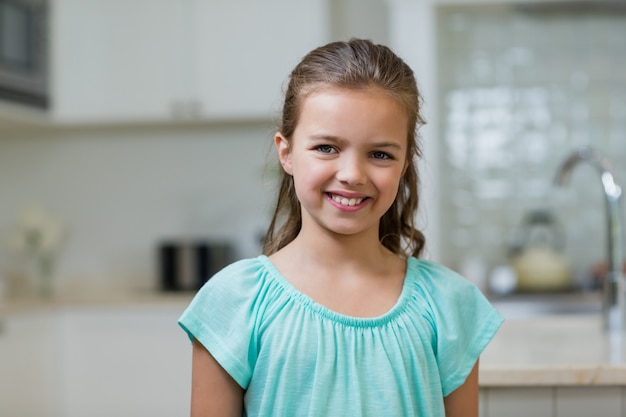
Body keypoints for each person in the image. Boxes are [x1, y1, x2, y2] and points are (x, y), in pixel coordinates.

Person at [178, 38, 503, 417]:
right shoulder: (232, 303)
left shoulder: (450, 304)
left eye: (380, 154)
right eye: (327, 148)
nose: (352, 174)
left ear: (405, 165)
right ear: (286, 153)